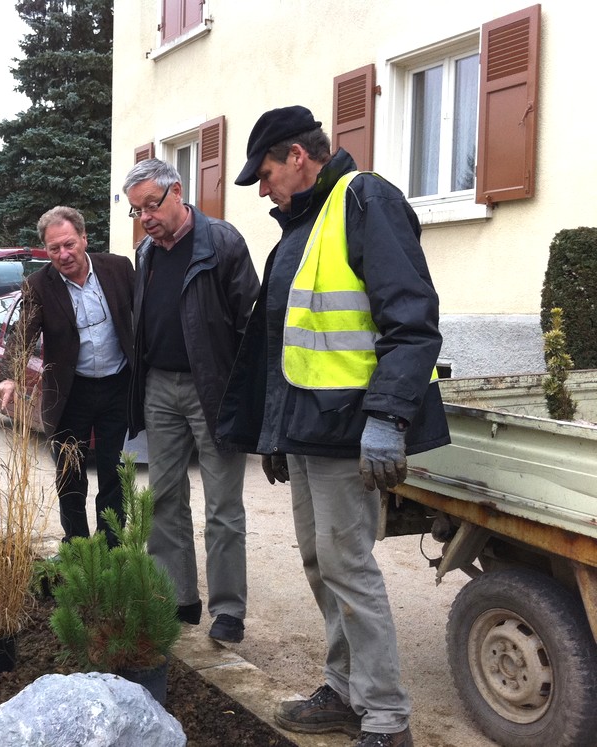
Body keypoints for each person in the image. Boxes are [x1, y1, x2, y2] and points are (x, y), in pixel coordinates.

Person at [217, 105, 450, 747]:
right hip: (308, 429)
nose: (262, 189)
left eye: (265, 173)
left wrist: (387, 418)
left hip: (352, 430)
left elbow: (412, 321)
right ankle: (344, 691)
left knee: (348, 567)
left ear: (298, 155)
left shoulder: (363, 199)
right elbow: (286, 343)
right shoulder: (302, 226)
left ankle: (386, 719)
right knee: (322, 564)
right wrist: (275, 431)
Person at [122, 158, 259, 644]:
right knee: (164, 497)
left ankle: (228, 611)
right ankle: (177, 597)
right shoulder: (146, 253)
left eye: (151, 206)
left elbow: (250, 324)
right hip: (160, 387)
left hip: (213, 391)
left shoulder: (222, 243)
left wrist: (244, 396)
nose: (145, 218)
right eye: (137, 210)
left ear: (177, 191)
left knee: (223, 505)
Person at [0, 206, 135, 546]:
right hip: (71, 394)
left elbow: (143, 315)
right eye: (54, 248)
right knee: (70, 476)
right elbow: (24, 331)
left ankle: (112, 547)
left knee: (113, 471)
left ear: (84, 239)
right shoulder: (39, 285)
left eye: (69, 244)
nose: (63, 254)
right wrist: (10, 375)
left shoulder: (118, 268)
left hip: (118, 387)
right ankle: (76, 548)